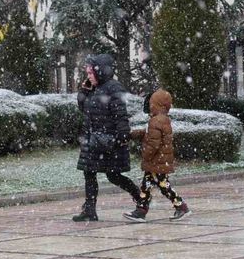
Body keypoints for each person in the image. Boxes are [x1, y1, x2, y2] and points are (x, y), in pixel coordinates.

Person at [72, 54, 142, 222]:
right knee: (89, 173)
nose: (88, 76)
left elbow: (120, 114)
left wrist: (121, 136)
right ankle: (90, 210)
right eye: (87, 73)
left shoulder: (113, 88)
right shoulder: (94, 88)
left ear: (100, 71)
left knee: (113, 175)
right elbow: (84, 108)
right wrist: (83, 91)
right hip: (93, 140)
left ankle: (140, 197)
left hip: (108, 141)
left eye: (90, 72)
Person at [124, 89, 191, 222]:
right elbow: (151, 134)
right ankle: (141, 210)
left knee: (163, 185)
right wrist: (136, 134)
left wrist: (145, 155)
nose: (150, 107)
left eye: (151, 104)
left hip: (156, 161)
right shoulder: (162, 120)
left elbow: (154, 143)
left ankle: (181, 206)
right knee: (147, 185)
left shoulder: (155, 121)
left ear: (158, 105)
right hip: (160, 161)